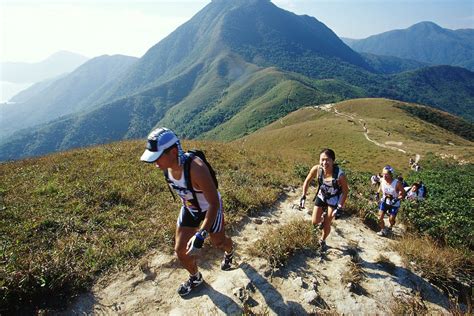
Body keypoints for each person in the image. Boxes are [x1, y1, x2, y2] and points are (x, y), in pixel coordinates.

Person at [140, 127, 234, 297]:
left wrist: (201, 234)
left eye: (157, 158)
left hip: (210, 208)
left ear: (173, 152)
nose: (155, 164)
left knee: (218, 242)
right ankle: (195, 277)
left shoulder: (196, 169)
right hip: (190, 208)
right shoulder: (167, 168)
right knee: (180, 249)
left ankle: (229, 251)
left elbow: (213, 203)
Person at [300, 149, 349, 250]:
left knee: (328, 221)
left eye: (327, 160)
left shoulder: (340, 175)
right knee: (314, 221)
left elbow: (345, 191)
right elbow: (307, 181)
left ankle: (322, 240)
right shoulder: (317, 169)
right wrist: (303, 195)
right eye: (322, 159)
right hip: (322, 195)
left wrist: (340, 206)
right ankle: (322, 218)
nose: (324, 162)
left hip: (334, 198)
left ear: (333, 161)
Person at [376, 165, 406, 236]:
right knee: (379, 218)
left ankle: (391, 226)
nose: (384, 176)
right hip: (384, 201)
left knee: (391, 219)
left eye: (386, 174)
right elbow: (381, 186)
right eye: (383, 174)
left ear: (391, 175)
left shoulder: (397, 183)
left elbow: (404, 194)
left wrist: (397, 199)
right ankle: (383, 230)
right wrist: (377, 193)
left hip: (394, 204)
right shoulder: (382, 180)